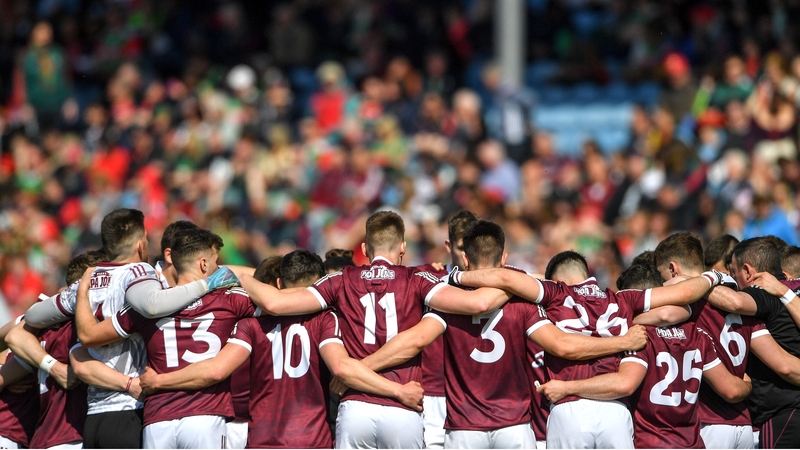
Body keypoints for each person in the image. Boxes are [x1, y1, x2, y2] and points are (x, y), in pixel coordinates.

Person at [348, 220, 647, 449]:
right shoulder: (522, 303)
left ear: (465, 260)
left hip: (464, 428)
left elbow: (414, 340)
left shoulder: (450, 301)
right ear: (504, 258)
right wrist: (621, 343)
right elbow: (562, 345)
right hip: (514, 426)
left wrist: (357, 369)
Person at [240, 211, 516, 449]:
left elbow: (274, 303)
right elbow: (479, 302)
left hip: (356, 406)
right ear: (403, 247)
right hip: (402, 406)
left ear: (365, 247)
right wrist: (515, 282)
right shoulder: (417, 279)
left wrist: (239, 276)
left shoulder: (340, 280)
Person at [137, 249, 424, 448]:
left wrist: (159, 381)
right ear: (320, 285)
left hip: (262, 437)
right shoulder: (325, 319)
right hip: (312, 438)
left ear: (277, 283)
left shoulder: (251, 324)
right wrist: (398, 391)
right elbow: (341, 367)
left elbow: (216, 369)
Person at [6, 209, 237, 448]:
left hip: (93, 417)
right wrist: (207, 284)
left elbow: (34, 315)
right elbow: (153, 306)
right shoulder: (138, 271)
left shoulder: (86, 282)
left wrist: (79, 295)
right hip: (129, 408)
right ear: (140, 245)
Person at [452, 250, 728, 448]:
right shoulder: (621, 299)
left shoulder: (555, 294)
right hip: (614, 411)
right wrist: (714, 275)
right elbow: (681, 297)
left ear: (556, 279)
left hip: (569, 407)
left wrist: (458, 277)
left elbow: (508, 278)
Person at [537, 263, 752, 449]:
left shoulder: (639, 335)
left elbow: (625, 383)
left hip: (650, 442)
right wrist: (749, 385)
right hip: (693, 441)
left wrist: (567, 387)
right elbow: (731, 389)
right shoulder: (697, 334)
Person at [73, 229, 255, 448]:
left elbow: (89, 336)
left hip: (158, 420)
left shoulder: (145, 307)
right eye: (218, 262)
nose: (221, 269)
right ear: (204, 264)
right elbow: (274, 304)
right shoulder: (232, 299)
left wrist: (82, 292)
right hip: (205, 414)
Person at [704, 238, 800, 447]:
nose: (733, 279)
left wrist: (697, 282)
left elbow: (735, 302)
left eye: (733, 272)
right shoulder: (793, 294)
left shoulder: (762, 293)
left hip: (784, 415)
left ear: (747, 271)